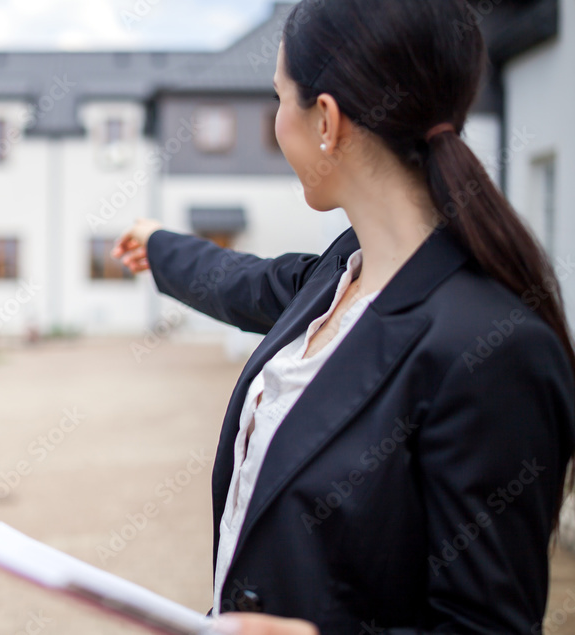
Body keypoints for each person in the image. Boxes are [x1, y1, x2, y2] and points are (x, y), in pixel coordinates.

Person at [114, 0, 575, 632]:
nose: (278, 121)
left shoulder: (492, 350)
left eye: (280, 97)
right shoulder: (338, 275)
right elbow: (243, 282)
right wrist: (159, 243)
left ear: (326, 119)